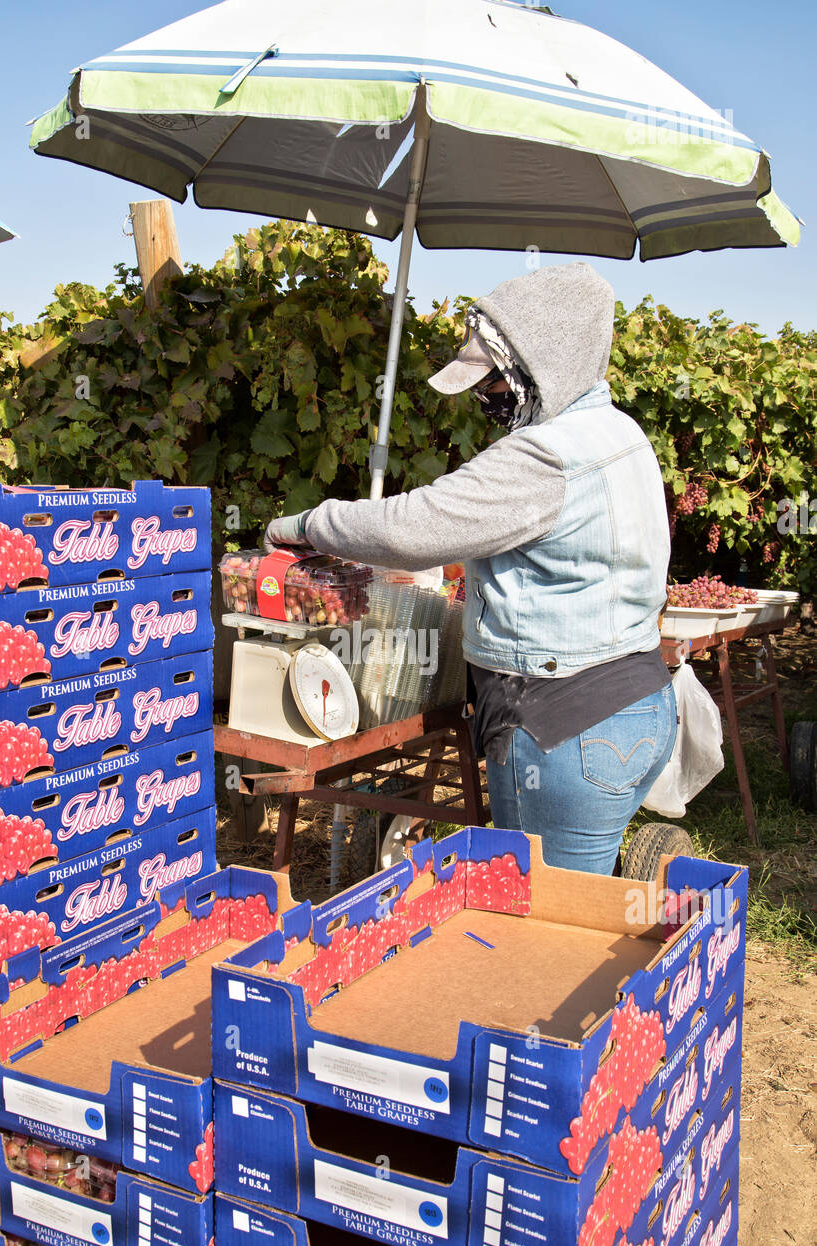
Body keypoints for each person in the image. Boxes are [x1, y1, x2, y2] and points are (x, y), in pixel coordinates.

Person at [263, 262, 676, 875]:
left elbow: (412, 529)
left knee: (546, 930)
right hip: (637, 702)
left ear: (541, 364)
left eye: (497, 384)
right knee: (588, 905)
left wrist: (305, 526)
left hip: (563, 727)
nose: (488, 400)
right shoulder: (622, 434)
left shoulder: (544, 455)